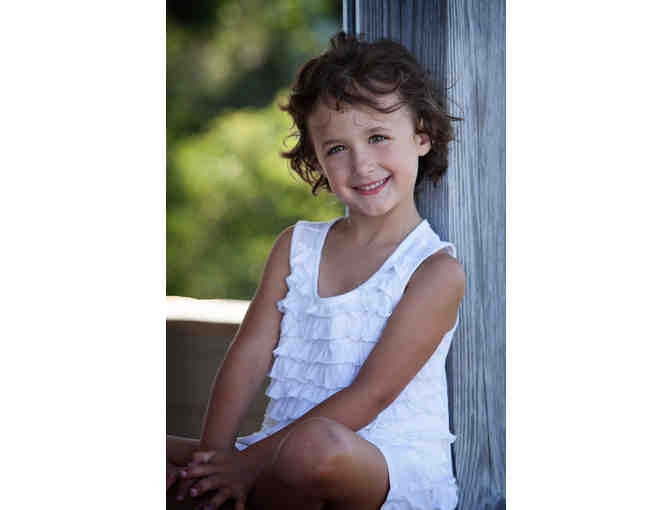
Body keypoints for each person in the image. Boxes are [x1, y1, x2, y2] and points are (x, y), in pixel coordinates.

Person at [167, 31, 466, 510]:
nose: (361, 164)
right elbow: (248, 355)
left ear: (422, 137)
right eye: (337, 148)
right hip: (273, 453)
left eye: (377, 137)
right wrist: (214, 459)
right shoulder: (297, 246)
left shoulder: (434, 271)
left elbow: (372, 394)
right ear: (317, 159)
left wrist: (244, 466)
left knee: (312, 448)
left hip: (381, 465)